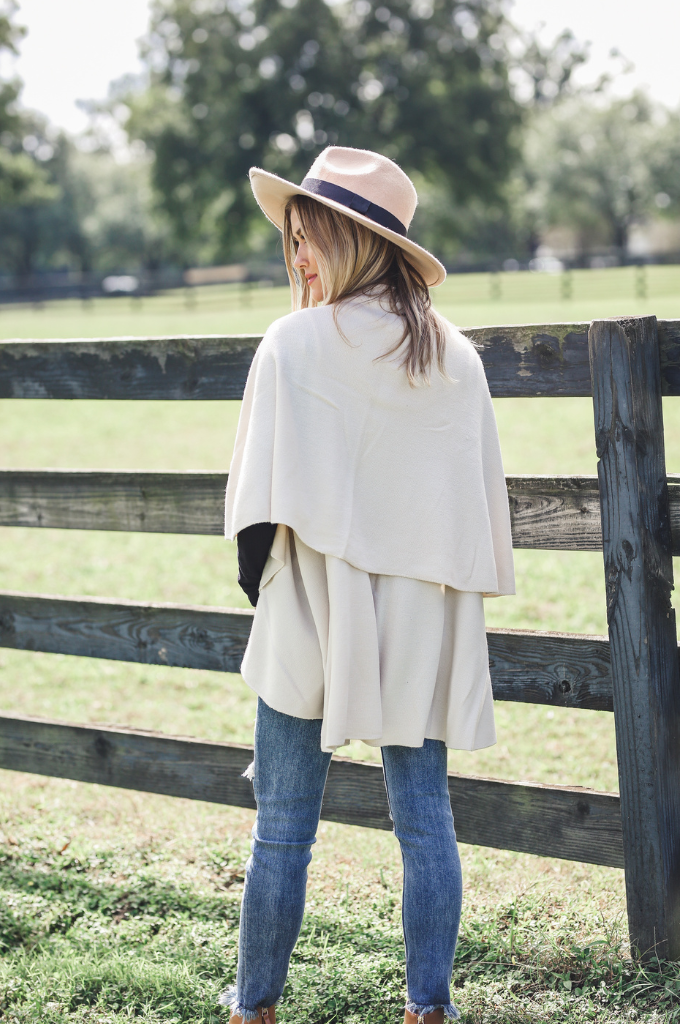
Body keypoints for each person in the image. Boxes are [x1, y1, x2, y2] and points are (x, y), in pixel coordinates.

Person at [222, 146, 515, 1024]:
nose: (298, 260)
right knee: (425, 823)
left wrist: (276, 591)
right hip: (419, 621)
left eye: (305, 239)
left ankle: (253, 1009)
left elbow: (251, 515)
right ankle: (430, 1009)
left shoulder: (294, 341)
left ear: (346, 238)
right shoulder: (455, 356)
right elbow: (471, 514)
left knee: (281, 827)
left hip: (311, 608)